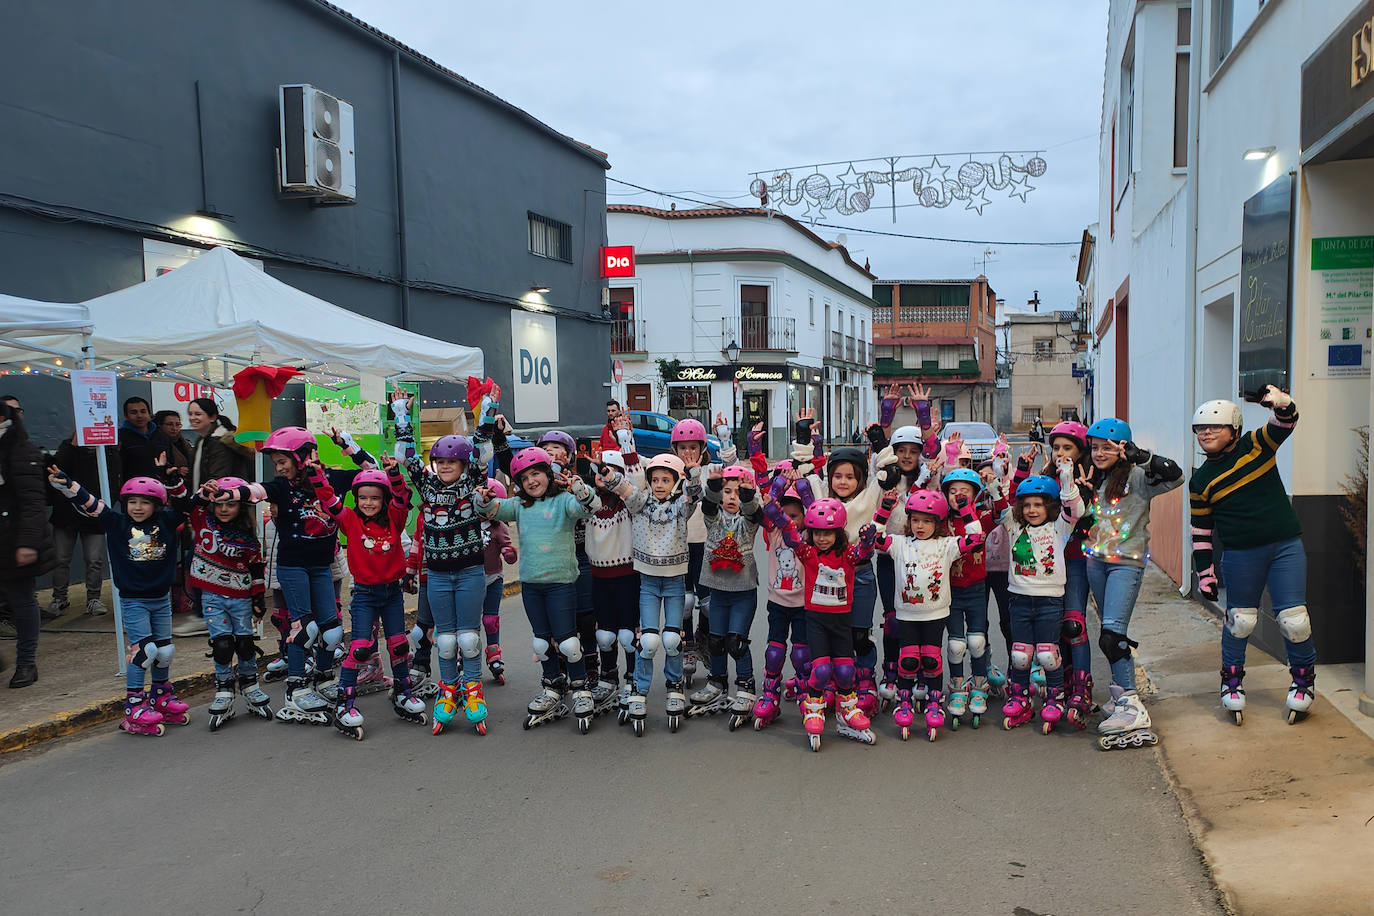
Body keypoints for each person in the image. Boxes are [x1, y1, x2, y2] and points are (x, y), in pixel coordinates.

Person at [1190, 387, 1317, 727]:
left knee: (1294, 620)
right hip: (1240, 554)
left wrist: (1281, 402)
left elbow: (1286, 422)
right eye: (1201, 428)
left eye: (1214, 427)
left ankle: (1303, 682)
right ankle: (1231, 681)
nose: (1206, 433)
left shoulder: (1256, 445)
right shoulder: (1200, 480)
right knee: (1240, 620)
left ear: (1234, 429)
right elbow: (1201, 531)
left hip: (1284, 547)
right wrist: (1204, 574)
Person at [48, 458, 190, 729]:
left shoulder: (168, 521)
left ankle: (161, 697)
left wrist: (171, 479)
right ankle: (134, 705)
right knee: (143, 652)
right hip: (134, 600)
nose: (137, 508)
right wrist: (68, 484)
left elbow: (185, 505)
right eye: (132, 502)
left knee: (164, 651)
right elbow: (90, 503)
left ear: (156, 505)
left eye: (144, 502)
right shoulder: (116, 523)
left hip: (161, 599)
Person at [252, 426, 375, 725]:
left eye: (283, 460)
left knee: (332, 631)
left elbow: (372, 470)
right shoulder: (281, 486)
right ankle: (295, 687)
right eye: (276, 463)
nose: (279, 467)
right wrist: (231, 490)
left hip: (322, 566)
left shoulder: (333, 479)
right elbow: (256, 491)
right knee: (304, 628)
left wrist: (347, 443)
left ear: (302, 457)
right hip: (292, 566)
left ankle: (322, 678)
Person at [478, 447, 599, 732]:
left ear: (548, 474)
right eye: (524, 478)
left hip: (561, 584)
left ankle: (580, 688)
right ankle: (553, 685)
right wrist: (481, 499)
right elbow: (491, 508)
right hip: (532, 585)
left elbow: (589, 508)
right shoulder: (520, 506)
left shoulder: (564, 503)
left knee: (568, 642)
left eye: (536, 474)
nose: (531, 481)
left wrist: (579, 488)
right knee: (541, 642)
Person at [1080, 417, 1182, 747]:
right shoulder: (1093, 478)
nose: (1098, 453)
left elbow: (1176, 475)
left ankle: (1131, 704)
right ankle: (1120, 695)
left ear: (1123, 447)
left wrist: (1142, 456)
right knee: (1108, 634)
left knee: (1112, 634)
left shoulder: (1138, 477)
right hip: (1096, 561)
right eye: (1094, 447)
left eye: (1106, 447)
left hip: (1126, 563)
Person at [308, 457, 427, 739]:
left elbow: (402, 497)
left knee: (399, 645)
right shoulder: (350, 520)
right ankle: (344, 704)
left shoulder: (396, 520)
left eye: (375, 498)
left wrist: (394, 474)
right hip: (364, 593)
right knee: (360, 648)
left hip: (392, 593)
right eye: (363, 497)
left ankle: (403, 692)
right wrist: (317, 477)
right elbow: (328, 501)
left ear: (383, 500)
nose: (368, 503)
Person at [760, 474, 879, 751]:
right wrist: (774, 504)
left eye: (827, 533)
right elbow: (787, 528)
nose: (822, 538)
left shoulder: (847, 555)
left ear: (839, 532)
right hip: (816, 621)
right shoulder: (808, 554)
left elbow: (862, 552)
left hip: (841, 622)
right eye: (817, 533)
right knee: (821, 669)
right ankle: (813, 706)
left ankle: (846, 711)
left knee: (847, 670)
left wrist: (869, 540)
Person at [871, 488, 983, 740]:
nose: (920, 526)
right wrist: (885, 509)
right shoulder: (900, 544)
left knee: (931, 661)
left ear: (939, 523)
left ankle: (934, 702)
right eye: (915, 520)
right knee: (907, 661)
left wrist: (966, 510)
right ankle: (905, 701)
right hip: (907, 615)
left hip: (935, 615)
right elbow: (873, 538)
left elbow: (976, 540)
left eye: (927, 521)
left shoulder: (946, 545)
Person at [603, 451, 701, 735]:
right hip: (647, 580)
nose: (659, 484)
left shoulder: (681, 506)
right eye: (655, 479)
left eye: (665, 480)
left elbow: (693, 497)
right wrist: (608, 475)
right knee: (647, 640)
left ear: (674, 482)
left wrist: (693, 475)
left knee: (671, 639)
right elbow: (624, 488)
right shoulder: (640, 504)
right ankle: (639, 689)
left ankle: (673, 686)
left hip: (674, 582)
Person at [404, 434, 489, 736]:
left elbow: (481, 458)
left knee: (468, 638)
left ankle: (474, 689)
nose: (444, 466)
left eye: (451, 461)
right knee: (446, 640)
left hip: (469, 572)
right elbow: (410, 461)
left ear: (463, 464)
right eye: (440, 461)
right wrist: (401, 416)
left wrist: (487, 413)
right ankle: (449, 690)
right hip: (438, 575)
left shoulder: (471, 485)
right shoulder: (427, 488)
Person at [1000, 466, 1084, 734]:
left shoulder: (1060, 528)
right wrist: (996, 483)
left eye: (1038, 504)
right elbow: (1001, 507)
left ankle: (1056, 696)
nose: (1032, 510)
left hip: (1049, 600)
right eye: (1027, 505)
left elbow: (1075, 511)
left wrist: (1068, 481)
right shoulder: (1014, 527)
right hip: (1020, 599)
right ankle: (1020, 697)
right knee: (1020, 654)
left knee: (1048, 654)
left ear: (1050, 506)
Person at [186, 475, 272, 729]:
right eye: (219, 503)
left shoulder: (248, 539)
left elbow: (256, 568)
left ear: (240, 506)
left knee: (244, 644)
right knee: (222, 645)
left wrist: (258, 599)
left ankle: (250, 684)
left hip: (241, 598)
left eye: (230, 504)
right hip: (212, 596)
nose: (224, 509)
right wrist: (204, 493)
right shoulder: (203, 521)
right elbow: (188, 506)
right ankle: (224, 688)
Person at [691, 464, 763, 730]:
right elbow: (708, 507)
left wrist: (747, 495)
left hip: (743, 593)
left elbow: (754, 513)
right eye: (727, 492)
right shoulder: (714, 519)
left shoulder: (747, 523)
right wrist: (712, 487)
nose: (731, 497)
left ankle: (746, 687)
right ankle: (716, 682)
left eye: (737, 493)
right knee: (717, 641)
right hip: (718, 592)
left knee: (736, 642)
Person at [1, 401, 56, 688]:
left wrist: (27, 544)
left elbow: (33, 503)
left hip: (14, 538)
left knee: (21, 600)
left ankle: (26, 662)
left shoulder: (22, 451)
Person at [585, 449, 641, 723]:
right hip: (599, 576)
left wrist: (627, 448)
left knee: (628, 634)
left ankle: (632, 679)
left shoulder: (628, 503)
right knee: (604, 635)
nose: (602, 474)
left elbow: (636, 482)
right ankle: (608, 677)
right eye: (599, 470)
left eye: (608, 469)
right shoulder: (589, 501)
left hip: (627, 576)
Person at [751, 470, 809, 730]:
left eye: (795, 516)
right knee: (774, 651)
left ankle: (805, 689)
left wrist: (804, 488)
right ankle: (770, 694)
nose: (790, 521)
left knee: (802, 653)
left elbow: (816, 509)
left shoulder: (810, 537)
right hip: (778, 603)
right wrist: (779, 484)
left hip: (804, 606)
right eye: (785, 516)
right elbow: (769, 509)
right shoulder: (774, 533)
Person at [47, 430, 118, 618]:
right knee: (61, 558)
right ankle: (59, 598)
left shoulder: (107, 451)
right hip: (65, 514)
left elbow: (115, 478)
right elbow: (57, 469)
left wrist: (108, 501)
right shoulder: (67, 447)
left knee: (94, 559)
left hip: (94, 514)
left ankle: (93, 599)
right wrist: (73, 445)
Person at [480, 478, 518, 685]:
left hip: (493, 577)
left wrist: (509, 553)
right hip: (470, 579)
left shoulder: (499, 526)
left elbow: (508, 552)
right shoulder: (465, 524)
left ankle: (494, 655)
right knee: (469, 622)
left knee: (490, 619)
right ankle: (463, 655)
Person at [187, 398, 253, 489]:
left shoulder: (219, 441)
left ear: (212, 417)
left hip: (219, 498)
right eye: (190, 414)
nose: (192, 418)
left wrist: (204, 498)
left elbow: (218, 478)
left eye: (198, 414)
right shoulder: (202, 440)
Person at [118, 396, 172, 481]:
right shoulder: (120, 437)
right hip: (134, 489)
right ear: (126, 416)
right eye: (133, 412)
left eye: (143, 411)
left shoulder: (161, 436)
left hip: (160, 487)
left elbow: (170, 461)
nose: (139, 415)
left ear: (149, 413)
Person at [154, 411, 192, 479]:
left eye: (178, 424)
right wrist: (177, 471)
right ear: (160, 425)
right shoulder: (156, 444)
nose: (174, 428)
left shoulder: (185, 443)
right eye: (169, 424)